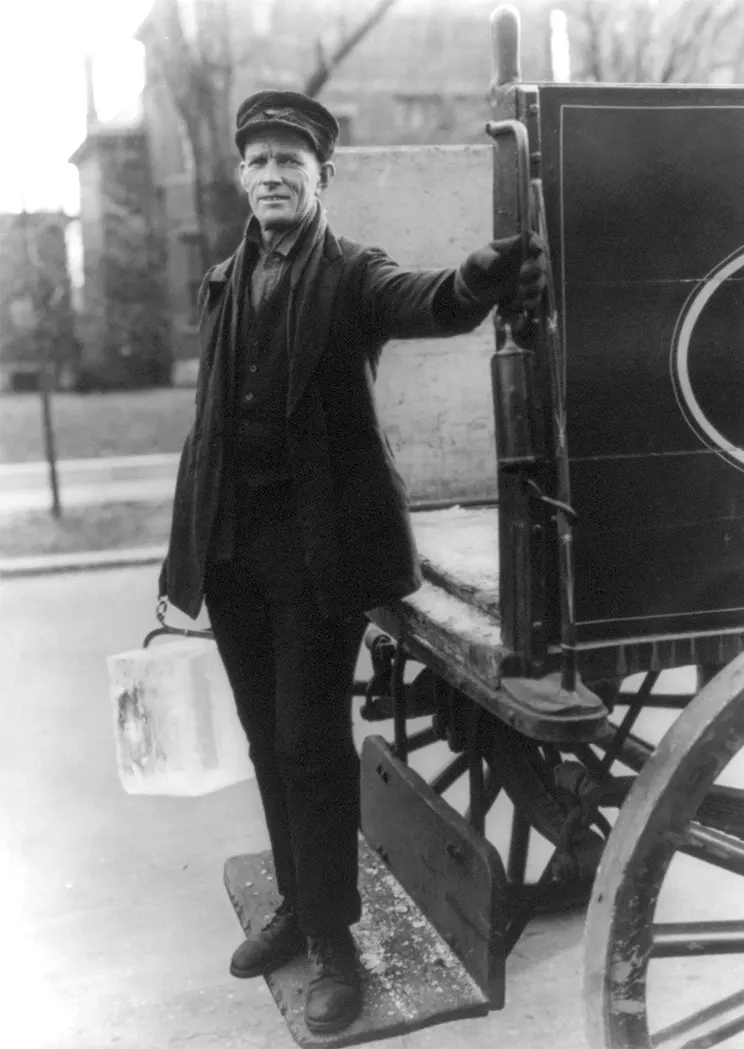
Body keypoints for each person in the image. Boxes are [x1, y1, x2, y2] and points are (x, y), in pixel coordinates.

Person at [158, 89, 546, 1035]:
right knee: (264, 742)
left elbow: (432, 301)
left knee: (308, 746)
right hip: (234, 550)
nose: (273, 175)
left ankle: (335, 943)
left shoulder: (350, 274)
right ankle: (298, 906)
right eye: (259, 161)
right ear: (242, 177)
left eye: (292, 161)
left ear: (321, 177)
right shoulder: (222, 281)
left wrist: (483, 273)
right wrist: (184, 557)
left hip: (318, 556)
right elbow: (209, 430)